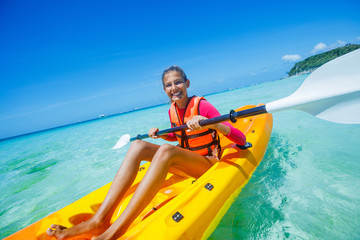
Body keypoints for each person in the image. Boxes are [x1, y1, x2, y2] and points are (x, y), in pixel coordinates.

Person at [47, 65, 246, 240]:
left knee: (167, 152)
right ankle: (99, 220)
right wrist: (160, 136)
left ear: (187, 83)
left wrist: (214, 123)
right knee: (138, 146)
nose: (174, 88)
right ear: (164, 89)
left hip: (207, 163)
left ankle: (114, 231)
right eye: (169, 85)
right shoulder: (172, 110)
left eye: (178, 82)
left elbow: (241, 138)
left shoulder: (202, 105)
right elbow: (180, 138)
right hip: (186, 161)